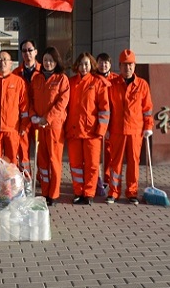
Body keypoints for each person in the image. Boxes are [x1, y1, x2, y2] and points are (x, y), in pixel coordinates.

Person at [106, 49, 154, 205]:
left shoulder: (142, 85)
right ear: (119, 66)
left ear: (134, 66)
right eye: (125, 65)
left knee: (133, 162)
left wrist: (148, 126)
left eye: (130, 65)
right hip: (117, 130)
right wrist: (105, 129)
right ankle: (113, 192)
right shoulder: (112, 84)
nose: (128, 68)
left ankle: (132, 192)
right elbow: (107, 109)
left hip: (135, 131)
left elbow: (147, 109)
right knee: (115, 163)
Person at [65, 52, 110, 205]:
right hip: (74, 131)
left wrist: (101, 130)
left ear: (91, 65)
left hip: (92, 132)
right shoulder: (70, 82)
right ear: (77, 65)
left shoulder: (98, 83)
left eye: (86, 64)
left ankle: (89, 193)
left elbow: (104, 109)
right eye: (81, 64)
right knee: (75, 165)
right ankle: (78, 192)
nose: (84, 67)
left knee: (92, 165)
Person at [29, 47, 70, 206]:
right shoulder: (36, 79)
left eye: (51, 60)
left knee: (54, 160)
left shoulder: (61, 79)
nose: (48, 63)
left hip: (54, 127)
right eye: (45, 60)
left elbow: (62, 103)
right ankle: (45, 191)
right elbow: (30, 99)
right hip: (39, 126)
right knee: (42, 161)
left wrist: (48, 118)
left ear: (56, 62)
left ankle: (53, 193)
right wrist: (33, 115)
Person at [13, 39, 42, 174]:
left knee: (41, 151)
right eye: (24, 51)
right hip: (23, 117)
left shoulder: (43, 71)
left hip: (39, 116)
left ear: (36, 52)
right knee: (23, 150)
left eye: (30, 50)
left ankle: (42, 179)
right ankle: (26, 178)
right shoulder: (16, 73)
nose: (27, 53)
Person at [96, 52, 118, 193]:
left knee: (109, 153)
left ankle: (107, 178)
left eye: (106, 62)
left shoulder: (115, 79)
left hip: (112, 121)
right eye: (100, 62)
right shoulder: (93, 78)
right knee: (96, 153)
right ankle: (97, 179)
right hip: (97, 121)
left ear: (110, 64)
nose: (103, 65)